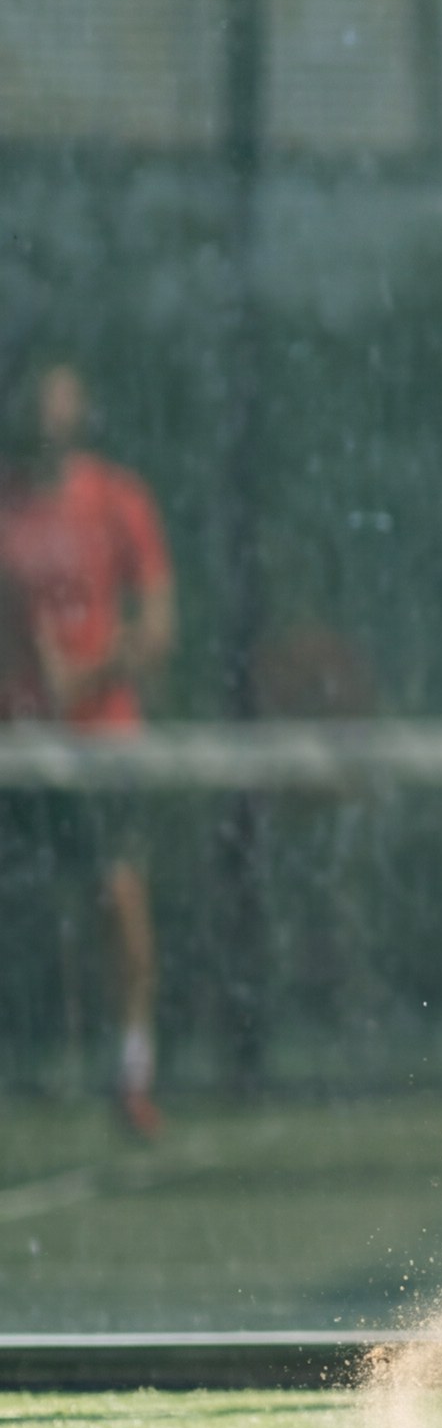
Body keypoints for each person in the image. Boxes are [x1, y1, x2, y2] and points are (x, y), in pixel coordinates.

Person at [0, 363, 178, 1140]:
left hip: (102, 746)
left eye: (63, 395)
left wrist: (88, 670)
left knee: (120, 900)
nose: (49, 410)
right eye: (37, 395)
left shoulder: (119, 501)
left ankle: (132, 1074)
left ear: (84, 409)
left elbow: (160, 627)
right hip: (17, 749)